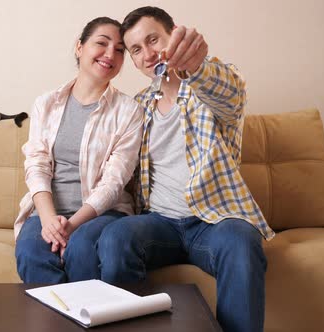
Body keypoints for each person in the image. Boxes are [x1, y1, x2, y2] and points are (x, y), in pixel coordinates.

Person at [96, 7, 275, 332]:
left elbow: (228, 90)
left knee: (241, 240)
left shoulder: (209, 91)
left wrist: (195, 65)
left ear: (174, 35)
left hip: (213, 222)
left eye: (154, 40)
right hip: (160, 223)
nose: (148, 54)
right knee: (115, 236)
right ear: (133, 61)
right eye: (136, 49)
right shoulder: (140, 104)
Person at [14, 17, 143, 284]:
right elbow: (37, 165)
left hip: (103, 214)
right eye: (101, 43)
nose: (110, 54)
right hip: (49, 211)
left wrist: (71, 227)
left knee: (83, 248)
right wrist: (50, 221)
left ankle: (91, 320)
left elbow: (114, 181)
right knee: (30, 252)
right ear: (80, 47)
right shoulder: (46, 103)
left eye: (120, 50)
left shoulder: (130, 111)